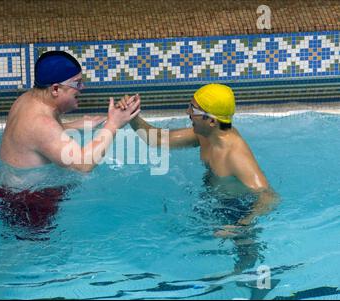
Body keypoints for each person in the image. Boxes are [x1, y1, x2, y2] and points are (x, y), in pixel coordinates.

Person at [0, 51, 140, 233]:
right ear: (55, 89)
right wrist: (113, 124)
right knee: (28, 253)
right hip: (26, 202)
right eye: (77, 83)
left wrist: (75, 125)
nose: (83, 87)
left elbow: (33, 136)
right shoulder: (42, 124)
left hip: (2, 185)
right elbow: (83, 165)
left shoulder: (27, 99)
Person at [117, 84, 279, 235]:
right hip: (211, 201)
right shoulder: (205, 135)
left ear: (212, 121)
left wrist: (241, 226)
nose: (188, 112)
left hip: (238, 209)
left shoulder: (235, 155)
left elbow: (269, 197)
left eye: (193, 109)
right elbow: (157, 139)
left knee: (244, 257)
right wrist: (132, 116)